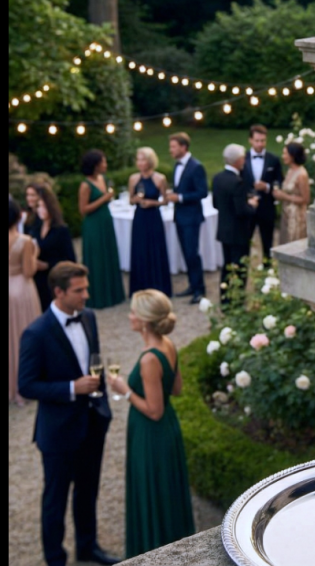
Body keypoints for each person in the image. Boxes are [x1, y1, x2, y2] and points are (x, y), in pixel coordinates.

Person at [18, 261, 119, 566]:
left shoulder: (88, 317)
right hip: (59, 432)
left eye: (85, 288)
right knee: (55, 501)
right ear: (59, 292)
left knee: (87, 492)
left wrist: (100, 397)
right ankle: (55, 559)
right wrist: (72, 388)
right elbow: (27, 385)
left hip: (91, 422)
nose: (86, 295)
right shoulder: (36, 333)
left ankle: (88, 548)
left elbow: (95, 359)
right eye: (79, 290)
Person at [105, 289, 195, 558]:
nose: (129, 316)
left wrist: (125, 389)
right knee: (168, 491)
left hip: (151, 433)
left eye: (133, 312)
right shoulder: (167, 344)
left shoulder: (149, 359)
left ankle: (153, 552)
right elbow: (176, 389)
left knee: (152, 492)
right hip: (169, 427)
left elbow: (153, 411)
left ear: (144, 320)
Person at [211, 144, 259, 299]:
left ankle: (225, 297)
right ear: (238, 160)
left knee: (227, 266)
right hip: (238, 232)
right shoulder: (237, 182)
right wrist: (252, 205)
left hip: (224, 230)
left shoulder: (217, 178)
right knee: (239, 268)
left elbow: (215, 204)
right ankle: (237, 299)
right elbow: (242, 211)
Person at [165, 133, 208, 305]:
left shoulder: (196, 167)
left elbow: (202, 192)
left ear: (183, 147)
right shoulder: (177, 166)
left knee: (192, 253)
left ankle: (199, 289)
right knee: (186, 253)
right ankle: (192, 284)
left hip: (191, 217)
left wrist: (180, 197)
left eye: (173, 147)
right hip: (180, 217)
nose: (170, 150)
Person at [79, 149, 125, 309]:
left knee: (109, 254)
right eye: (103, 162)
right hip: (94, 225)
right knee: (97, 258)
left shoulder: (103, 179)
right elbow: (83, 209)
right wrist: (104, 199)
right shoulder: (86, 185)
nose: (105, 165)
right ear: (95, 165)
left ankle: (113, 294)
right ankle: (97, 297)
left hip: (106, 221)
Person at [9, 198, 41, 406]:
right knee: (25, 336)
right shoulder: (25, 241)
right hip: (21, 290)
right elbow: (29, 271)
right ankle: (29, 382)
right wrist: (35, 253)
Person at [128, 147, 172, 297]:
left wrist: (152, 203)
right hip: (140, 217)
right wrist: (136, 200)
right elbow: (130, 200)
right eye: (138, 159)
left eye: (143, 159)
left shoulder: (159, 178)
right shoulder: (133, 179)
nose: (140, 163)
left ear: (150, 161)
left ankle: (158, 284)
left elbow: (165, 201)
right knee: (140, 249)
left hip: (153, 216)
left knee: (155, 248)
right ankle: (141, 286)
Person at [241, 124, 284, 265]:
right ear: (250, 140)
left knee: (268, 243)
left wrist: (266, 186)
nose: (260, 144)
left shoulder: (273, 159)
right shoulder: (242, 159)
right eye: (257, 140)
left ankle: (268, 273)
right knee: (244, 242)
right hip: (247, 208)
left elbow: (280, 181)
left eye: (263, 141)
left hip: (267, 208)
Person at [33, 185, 77, 311]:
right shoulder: (36, 228)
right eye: (39, 207)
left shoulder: (60, 230)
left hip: (53, 279)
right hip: (38, 280)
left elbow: (69, 259)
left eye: (43, 207)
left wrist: (46, 265)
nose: (41, 210)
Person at [274, 142, 311, 244]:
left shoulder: (301, 174)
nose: (283, 156)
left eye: (285, 154)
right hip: (286, 213)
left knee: (293, 242)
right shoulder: (290, 170)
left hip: (296, 217)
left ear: (293, 155)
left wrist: (284, 196)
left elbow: (305, 199)